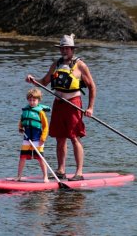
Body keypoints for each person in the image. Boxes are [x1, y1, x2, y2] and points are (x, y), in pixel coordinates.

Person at [25, 34, 96, 181]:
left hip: (73, 104)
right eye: (62, 48)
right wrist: (33, 80)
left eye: (67, 49)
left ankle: (79, 172)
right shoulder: (56, 64)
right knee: (60, 138)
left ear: (72, 49)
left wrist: (90, 108)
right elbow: (44, 81)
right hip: (58, 104)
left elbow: (92, 86)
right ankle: (61, 170)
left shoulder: (80, 65)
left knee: (74, 137)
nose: (64, 51)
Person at [16, 88, 50, 183]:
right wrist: (20, 128)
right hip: (27, 137)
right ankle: (19, 176)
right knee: (22, 157)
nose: (31, 102)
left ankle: (45, 177)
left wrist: (43, 138)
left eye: (34, 100)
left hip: (37, 138)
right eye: (30, 100)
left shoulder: (40, 112)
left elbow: (46, 126)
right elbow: (21, 121)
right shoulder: (25, 111)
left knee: (40, 158)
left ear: (38, 100)